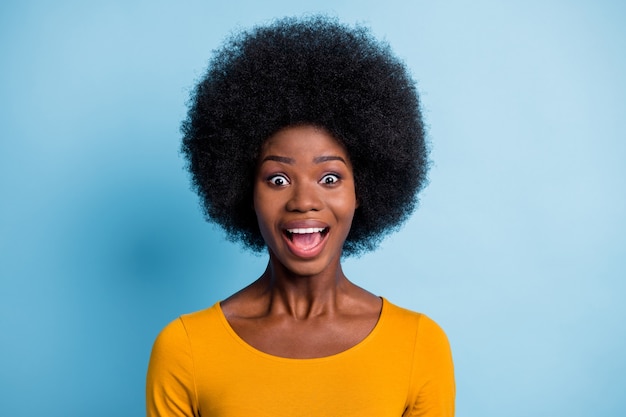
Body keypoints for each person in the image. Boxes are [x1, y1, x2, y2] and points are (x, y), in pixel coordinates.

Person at [146, 15, 455, 416]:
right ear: (245, 190)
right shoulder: (185, 348)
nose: (303, 201)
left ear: (362, 190)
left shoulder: (418, 344)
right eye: (278, 179)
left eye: (329, 177)